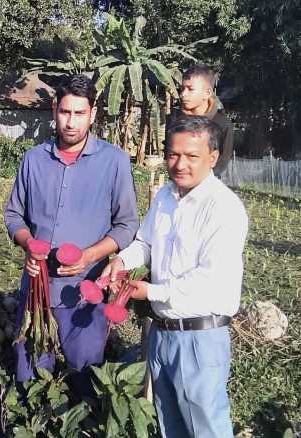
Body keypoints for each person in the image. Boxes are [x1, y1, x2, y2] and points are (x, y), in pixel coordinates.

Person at [101, 115, 248, 438]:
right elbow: (145, 243)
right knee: (170, 426)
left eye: (191, 156)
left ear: (212, 157)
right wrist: (122, 261)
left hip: (199, 337)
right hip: (162, 334)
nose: (180, 164)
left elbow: (209, 280)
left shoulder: (223, 208)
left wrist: (150, 292)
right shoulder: (167, 196)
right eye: (173, 154)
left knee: (206, 427)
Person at [4, 74, 139, 398]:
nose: (71, 122)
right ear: (55, 111)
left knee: (86, 380)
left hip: (84, 295)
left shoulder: (114, 162)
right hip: (37, 291)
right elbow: (14, 214)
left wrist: (90, 256)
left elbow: (126, 225)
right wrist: (27, 244)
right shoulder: (34, 160)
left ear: (93, 114)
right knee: (30, 378)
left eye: (80, 114)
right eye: (65, 112)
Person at [166, 65, 234, 177]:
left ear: (207, 93)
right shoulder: (175, 121)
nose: (184, 94)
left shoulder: (222, 124)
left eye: (190, 89)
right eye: (182, 89)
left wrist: (202, 179)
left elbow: (223, 159)